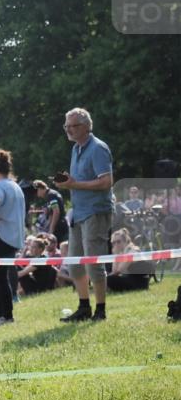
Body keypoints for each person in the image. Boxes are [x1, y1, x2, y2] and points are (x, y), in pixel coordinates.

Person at [58, 107, 114, 322]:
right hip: (78, 212)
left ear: (87, 126)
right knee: (74, 263)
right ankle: (84, 307)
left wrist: (75, 184)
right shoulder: (76, 149)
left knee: (93, 263)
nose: (69, 130)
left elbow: (106, 181)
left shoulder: (98, 148)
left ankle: (100, 309)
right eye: (67, 126)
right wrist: (67, 182)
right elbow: (78, 180)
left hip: (95, 212)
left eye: (74, 126)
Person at [0, 150, 26, 325]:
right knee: (1, 276)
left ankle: (6, 315)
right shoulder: (15, 186)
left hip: (0, 237)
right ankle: (2, 313)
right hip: (12, 237)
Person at [107, 228, 153, 292]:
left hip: (140, 282)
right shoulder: (121, 252)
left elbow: (119, 271)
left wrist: (116, 255)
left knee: (110, 279)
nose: (116, 245)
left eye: (118, 242)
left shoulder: (132, 250)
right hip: (130, 278)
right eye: (113, 243)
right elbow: (114, 270)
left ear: (125, 241)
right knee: (109, 279)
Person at [33, 179, 70, 244]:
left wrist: (51, 229)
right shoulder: (51, 194)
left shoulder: (51, 195)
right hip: (59, 225)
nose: (37, 195)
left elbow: (56, 211)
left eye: (36, 191)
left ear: (40, 188)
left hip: (59, 226)